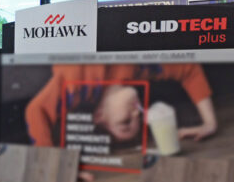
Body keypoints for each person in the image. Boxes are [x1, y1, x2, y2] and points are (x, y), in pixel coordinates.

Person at [24, 63, 217, 147]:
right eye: (139, 119)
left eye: (125, 121)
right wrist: (210, 124)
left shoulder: (77, 85)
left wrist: (54, 170)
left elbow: (36, 111)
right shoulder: (139, 71)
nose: (137, 114)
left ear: (99, 116)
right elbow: (188, 69)